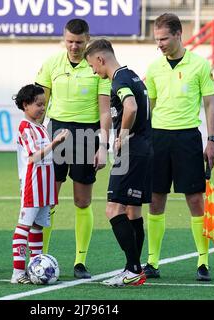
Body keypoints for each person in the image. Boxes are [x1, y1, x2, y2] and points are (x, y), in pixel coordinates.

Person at [35, 18, 112, 279]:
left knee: (82, 200)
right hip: (56, 132)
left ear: (87, 40)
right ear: (64, 38)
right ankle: (40, 256)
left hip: (86, 134)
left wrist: (103, 145)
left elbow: (104, 111)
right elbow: (39, 105)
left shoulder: (96, 67)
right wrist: (35, 136)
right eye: (69, 41)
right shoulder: (51, 63)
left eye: (79, 42)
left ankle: (80, 261)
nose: (74, 46)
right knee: (48, 199)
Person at [144, 13, 214, 281]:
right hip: (158, 138)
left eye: (164, 38)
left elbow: (209, 104)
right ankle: (152, 262)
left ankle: (203, 262)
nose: (160, 44)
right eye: (157, 39)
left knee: (195, 200)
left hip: (188, 137)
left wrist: (212, 139)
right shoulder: (153, 68)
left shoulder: (199, 64)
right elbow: (149, 107)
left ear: (178, 35)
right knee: (155, 199)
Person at [84, 39, 152, 287]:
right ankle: (132, 269)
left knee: (113, 209)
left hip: (132, 151)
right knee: (133, 210)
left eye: (93, 65)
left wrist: (122, 136)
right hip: (145, 148)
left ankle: (133, 269)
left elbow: (131, 107)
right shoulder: (133, 76)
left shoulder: (119, 80)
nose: (94, 71)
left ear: (101, 59)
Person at [11, 84, 69, 284]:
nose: (42, 108)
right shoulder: (25, 128)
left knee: (37, 227)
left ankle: (34, 268)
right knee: (24, 227)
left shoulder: (40, 127)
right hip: (32, 184)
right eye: (38, 104)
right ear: (25, 105)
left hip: (45, 185)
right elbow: (33, 157)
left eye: (44, 104)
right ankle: (17, 273)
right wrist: (56, 143)